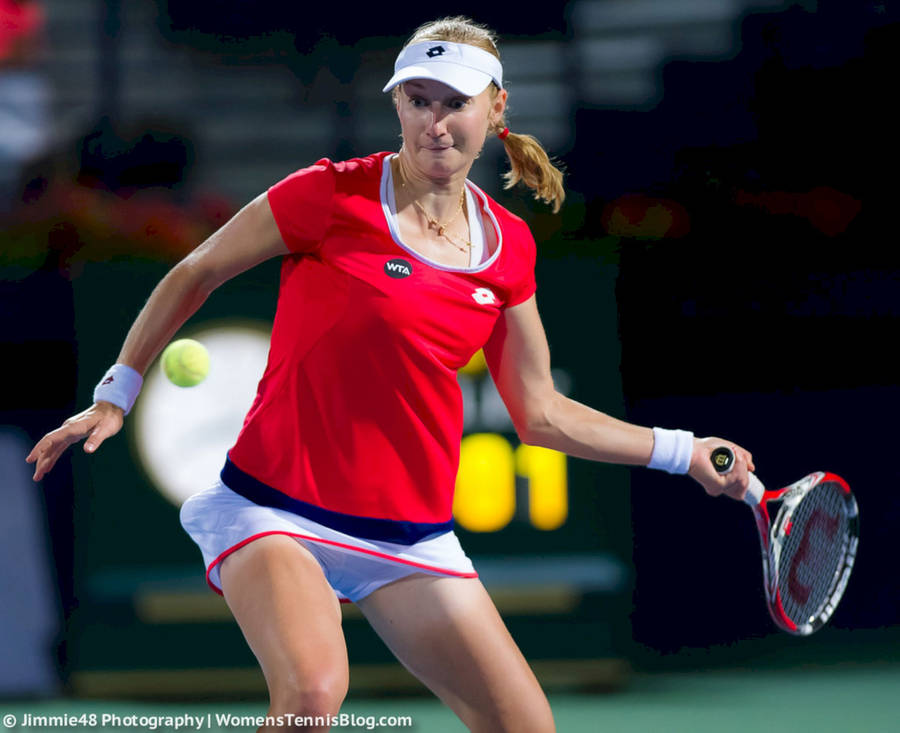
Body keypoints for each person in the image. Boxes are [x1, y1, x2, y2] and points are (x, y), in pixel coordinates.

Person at [26, 16, 755, 733]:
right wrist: (116, 392)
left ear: (496, 108)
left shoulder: (509, 250)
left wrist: (680, 448)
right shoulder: (330, 195)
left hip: (409, 539)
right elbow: (197, 269)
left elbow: (540, 413)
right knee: (312, 694)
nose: (436, 122)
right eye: (419, 99)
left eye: (456, 101)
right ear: (398, 105)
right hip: (272, 508)